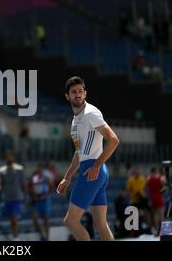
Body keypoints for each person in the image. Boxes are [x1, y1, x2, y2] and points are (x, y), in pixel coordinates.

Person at [57, 76, 120, 241]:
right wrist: (67, 177)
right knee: (100, 224)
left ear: (85, 93)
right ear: (67, 96)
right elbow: (79, 152)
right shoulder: (75, 120)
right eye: (73, 92)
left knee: (70, 221)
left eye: (80, 91)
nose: (77, 94)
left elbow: (114, 139)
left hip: (93, 170)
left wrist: (97, 165)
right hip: (94, 171)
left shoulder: (91, 113)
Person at [0, 150, 25, 241]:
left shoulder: (19, 169)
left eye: (10, 156)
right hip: (7, 199)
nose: (9, 158)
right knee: (11, 220)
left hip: (17, 198)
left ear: (13, 157)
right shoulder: (1, 171)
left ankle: (16, 238)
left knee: (14, 218)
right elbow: (0, 185)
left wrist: (24, 198)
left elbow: (23, 184)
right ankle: (14, 235)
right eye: (7, 157)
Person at [28, 163, 54, 241]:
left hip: (45, 200)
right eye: (38, 168)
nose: (38, 170)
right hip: (37, 200)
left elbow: (51, 188)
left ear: (42, 170)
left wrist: (45, 195)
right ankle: (42, 235)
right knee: (34, 219)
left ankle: (47, 238)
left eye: (40, 169)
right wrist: (34, 196)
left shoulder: (46, 178)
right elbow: (31, 188)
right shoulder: (34, 177)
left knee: (46, 220)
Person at [146, 166, 165, 235]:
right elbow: (164, 188)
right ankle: (162, 231)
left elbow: (146, 189)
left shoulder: (148, 178)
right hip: (159, 198)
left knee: (155, 216)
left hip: (153, 199)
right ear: (156, 171)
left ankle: (157, 230)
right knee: (161, 216)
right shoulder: (161, 178)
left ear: (151, 172)